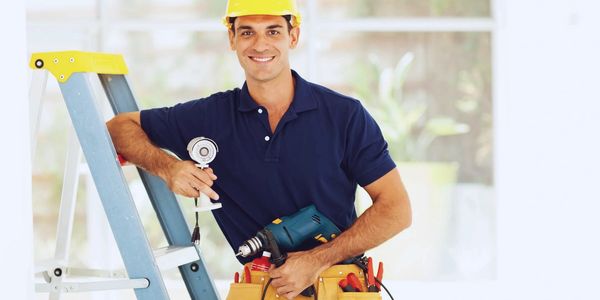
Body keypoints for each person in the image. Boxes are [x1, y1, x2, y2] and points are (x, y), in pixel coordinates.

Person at [107, 0, 411, 298]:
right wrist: (168, 168)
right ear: (232, 39)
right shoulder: (209, 117)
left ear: (293, 36)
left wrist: (317, 259)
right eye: (248, 32)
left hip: (337, 285)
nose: (260, 45)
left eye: (273, 31)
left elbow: (396, 209)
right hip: (262, 287)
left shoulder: (344, 116)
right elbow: (119, 128)